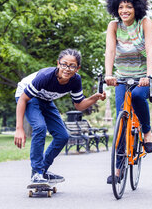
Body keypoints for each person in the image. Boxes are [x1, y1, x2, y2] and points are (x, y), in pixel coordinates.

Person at [14, 49, 106, 185]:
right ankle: (37, 172)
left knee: (63, 136)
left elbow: (79, 105)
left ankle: (42, 171)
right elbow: (23, 99)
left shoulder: (75, 80)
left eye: (72, 66)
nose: (67, 69)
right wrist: (19, 128)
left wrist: (95, 97)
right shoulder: (45, 76)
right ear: (58, 63)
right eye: (64, 64)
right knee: (40, 127)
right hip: (27, 97)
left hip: (45, 99)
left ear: (77, 68)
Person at [104, 0, 152, 184]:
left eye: (128, 6)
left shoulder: (144, 23)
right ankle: (118, 170)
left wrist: (149, 75)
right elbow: (110, 51)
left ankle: (146, 131)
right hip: (122, 77)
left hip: (147, 76)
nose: (124, 11)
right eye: (120, 7)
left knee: (137, 96)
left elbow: (151, 50)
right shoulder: (113, 26)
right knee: (122, 121)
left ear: (136, 7)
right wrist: (109, 75)